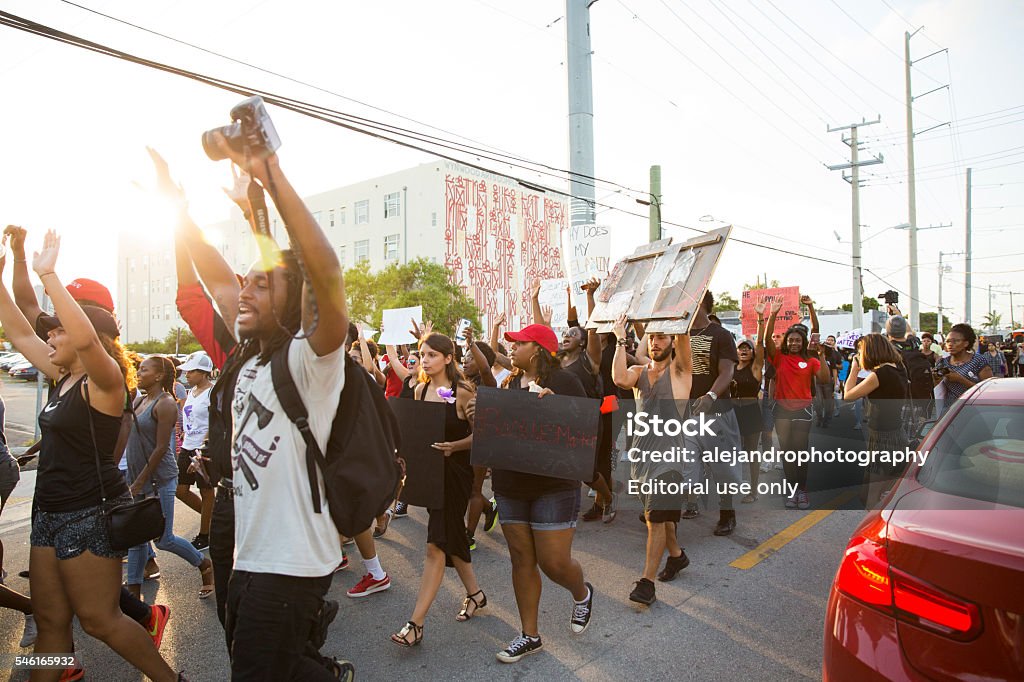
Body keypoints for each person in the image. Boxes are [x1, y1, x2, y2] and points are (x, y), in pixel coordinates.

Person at [0, 230, 184, 681]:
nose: (51, 335)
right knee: (50, 622)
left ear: (91, 338)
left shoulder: (104, 383)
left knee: (100, 620)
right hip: (48, 513)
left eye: (60, 329)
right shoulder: (62, 377)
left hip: (89, 514)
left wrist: (48, 274)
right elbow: (21, 330)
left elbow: (84, 341)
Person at [207, 130, 353, 680]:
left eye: (260, 287)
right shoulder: (248, 361)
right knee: (274, 663)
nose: (242, 292)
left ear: (291, 302)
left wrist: (272, 177)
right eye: (245, 283)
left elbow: (326, 275)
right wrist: (181, 212)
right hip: (248, 554)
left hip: (292, 564)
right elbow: (218, 278)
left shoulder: (309, 363)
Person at [491, 323, 594, 663]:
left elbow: (586, 426)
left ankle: (581, 593)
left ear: (536, 349)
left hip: (553, 485)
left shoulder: (564, 381)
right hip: (511, 484)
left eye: (517, 344)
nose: (511, 349)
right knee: (521, 559)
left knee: (554, 562)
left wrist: (559, 408)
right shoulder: (507, 383)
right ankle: (529, 635)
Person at [391, 332, 486, 647]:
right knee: (452, 535)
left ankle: (416, 624)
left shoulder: (462, 392)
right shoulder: (418, 391)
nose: (425, 360)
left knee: (435, 546)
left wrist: (454, 446)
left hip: (456, 475)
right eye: (422, 354)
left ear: (448, 358)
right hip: (430, 475)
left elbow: (483, 436)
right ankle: (476, 595)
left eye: (432, 355)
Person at [611, 315, 694, 606]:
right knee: (655, 519)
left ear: (672, 341)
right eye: (653, 337)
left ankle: (646, 583)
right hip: (641, 461)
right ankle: (676, 556)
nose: (657, 342)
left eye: (663, 336)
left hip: (669, 460)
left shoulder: (680, 373)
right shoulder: (638, 371)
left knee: (656, 518)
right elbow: (618, 378)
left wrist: (679, 316)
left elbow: (683, 343)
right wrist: (621, 339)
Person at [124, 355, 214, 600]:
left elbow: (162, 447)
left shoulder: (165, 403)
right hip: (137, 476)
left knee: (163, 539)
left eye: (144, 370)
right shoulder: (139, 400)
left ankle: (204, 565)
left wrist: (141, 480)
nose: (139, 373)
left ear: (159, 376)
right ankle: (133, 591)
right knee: (137, 538)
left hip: (159, 478)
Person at [683, 291, 743, 535]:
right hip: (687, 414)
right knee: (686, 465)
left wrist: (711, 396)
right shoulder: (679, 335)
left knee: (723, 468)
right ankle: (680, 507)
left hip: (717, 413)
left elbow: (727, 371)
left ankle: (727, 513)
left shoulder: (721, 335)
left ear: (700, 303)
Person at [764, 298, 832, 509]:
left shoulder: (811, 359)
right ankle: (793, 491)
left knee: (800, 452)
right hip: (782, 411)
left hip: (803, 410)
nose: (794, 343)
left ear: (803, 342)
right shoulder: (779, 357)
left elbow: (824, 379)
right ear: (786, 342)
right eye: (790, 340)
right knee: (786, 452)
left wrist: (811, 306)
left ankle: (802, 491)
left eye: (797, 340)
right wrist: (773, 313)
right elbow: (766, 339)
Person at [842, 333, 910, 504]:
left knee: (872, 495)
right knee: (885, 491)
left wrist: (854, 369)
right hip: (896, 432)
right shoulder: (899, 366)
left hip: (882, 437)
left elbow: (848, 396)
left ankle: (871, 525)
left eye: (861, 351)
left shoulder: (880, 374)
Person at [459, 327, 499, 549]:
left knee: (474, 489)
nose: (465, 361)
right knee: (465, 487)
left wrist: (471, 343)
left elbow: (484, 367)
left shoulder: (488, 383)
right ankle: (489, 508)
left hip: (482, 442)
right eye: (463, 358)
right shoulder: (461, 383)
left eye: (470, 358)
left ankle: (468, 536)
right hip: (462, 441)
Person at [176, 351, 215, 551]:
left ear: (204, 372)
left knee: (206, 491)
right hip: (187, 445)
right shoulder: (191, 392)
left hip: (203, 449)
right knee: (180, 490)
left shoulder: (212, 393)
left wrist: (203, 448)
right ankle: (214, 520)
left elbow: (215, 422)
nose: (187, 375)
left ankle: (205, 534)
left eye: (191, 371)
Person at [735, 306, 767, 502]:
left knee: (751, 452)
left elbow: (761, 343)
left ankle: (753, 490)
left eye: (747, 348)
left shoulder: (755, 368)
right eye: (741, 348)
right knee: (728, 451)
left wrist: (760, 318)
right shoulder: (730, 367)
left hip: (751, 412)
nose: (744, 350)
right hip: (732, 413)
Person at [934, 324, 992, 412]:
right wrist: (935, 379)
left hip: (974, 411)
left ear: (966, 343)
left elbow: (988, 392)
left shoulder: (978, 361)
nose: (950, 344)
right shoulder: (942, 362)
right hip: (949, 411)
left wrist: (961, 380)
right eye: (948, 341)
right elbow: (935, 389)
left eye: (955, 341)